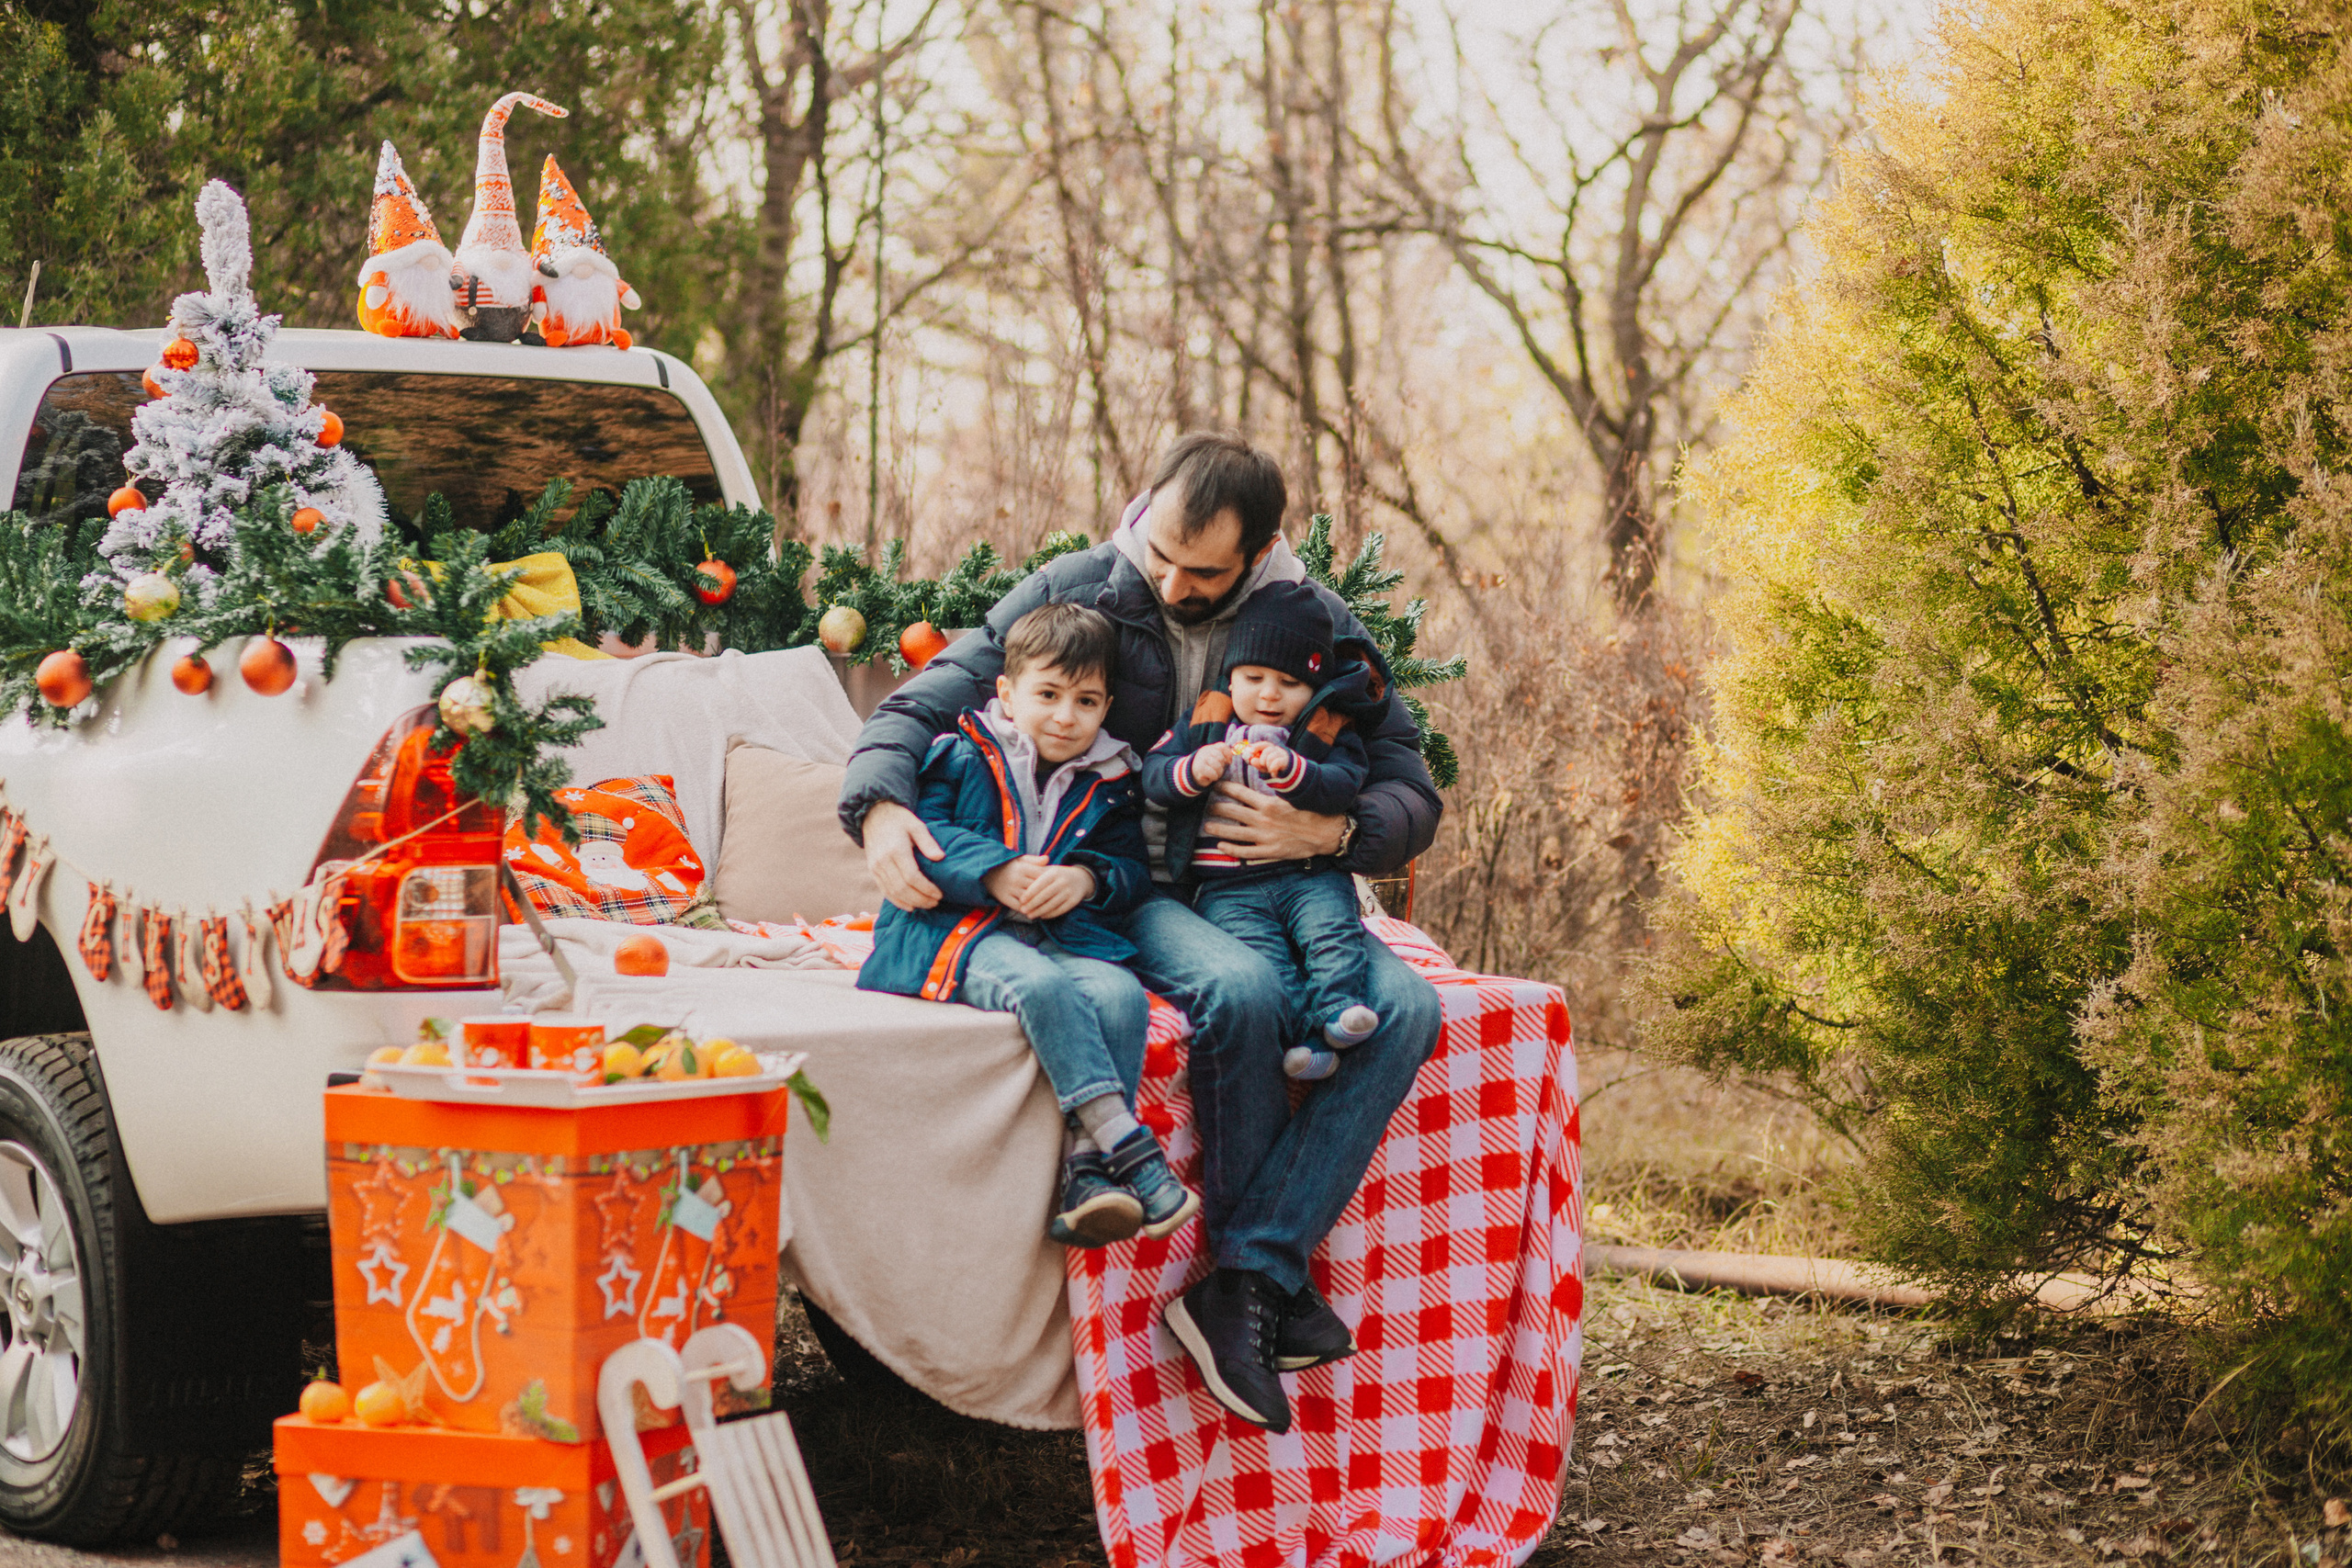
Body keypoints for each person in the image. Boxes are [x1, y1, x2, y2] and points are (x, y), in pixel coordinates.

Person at [840, 432, 1443, 1435]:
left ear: (1259, 553)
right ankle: (1260, 1284)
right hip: (1146, 885)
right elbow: (927, 697)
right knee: (1241, 990)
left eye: (1201, 572)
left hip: (1289, 881)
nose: (1168, 582)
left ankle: (1246, 1278)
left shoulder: (1314, 623)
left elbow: (1408, 781)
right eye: (1158, 552)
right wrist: (877, 804)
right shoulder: (1082, 586)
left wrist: (1337, 833)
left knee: (1409, 1008)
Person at [854, 603, 1198, 1247]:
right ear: (1008, 694)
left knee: (1120, 995)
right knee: (1041, 988)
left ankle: (1087, 1175)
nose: (1066, 716)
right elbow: (928, 836)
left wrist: (1086, 880)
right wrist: (994, 872)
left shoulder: (1111, 777)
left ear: (1106, 706)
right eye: (1048, 694)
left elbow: (1128, 866)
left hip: (1057, 933)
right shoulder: (959, 753)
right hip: (956, 931)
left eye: (1086, 701)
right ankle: (1131, 1150)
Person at [1141, 581, 1387, 1082]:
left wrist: (1296, 771)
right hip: (1227, 888)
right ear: (1231, 679)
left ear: (1313, 689)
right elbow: (1153, 772)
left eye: (1290, 683)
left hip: (1309, 875)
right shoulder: (1206, 719)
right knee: (1265, 961)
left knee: (1331, 935)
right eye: (1254, 677)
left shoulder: (1324, 728)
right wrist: (1191, 770)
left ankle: (1339, 1010)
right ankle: (1304, 1041)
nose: (1270, 694)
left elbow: (1345, 783)